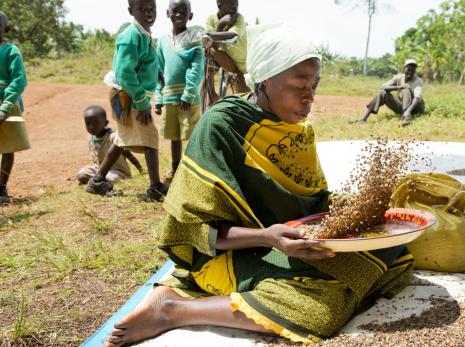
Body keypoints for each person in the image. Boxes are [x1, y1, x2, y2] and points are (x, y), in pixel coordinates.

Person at [104, 24, 415, 347]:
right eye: (300, 85)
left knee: (394, 251)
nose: (310, 97)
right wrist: (268, 237)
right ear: (266, 78)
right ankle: (174, 309)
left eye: (315, 85)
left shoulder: (296, 129)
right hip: (230, 253)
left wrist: (359, 208)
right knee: (322, 309)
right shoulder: (222, 126)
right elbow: (193, 231)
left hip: (284, 243)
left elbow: (311, 203)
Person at [87, 0, 168, 201]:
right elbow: (125, 72)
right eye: (143, 9)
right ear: (131, 10)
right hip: (128, 95)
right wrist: (141, 101)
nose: (149, 13)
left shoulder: (144, 34)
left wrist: (158, 76)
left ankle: (97, 181)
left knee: (123, 139)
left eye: (152, 9)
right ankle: (155, 186)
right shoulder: (131, 36)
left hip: (131, 95)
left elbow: (145, 64)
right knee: (149, 137)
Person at [154, 0, 205, 181]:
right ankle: (176, 170)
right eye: (174, 11)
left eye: (184, 11)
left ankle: (194, 171)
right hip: (169, 97)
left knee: (191, 136)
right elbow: (159, 71)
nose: (179, 14)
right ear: (167, 13)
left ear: (190, 15)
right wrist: (159, 97)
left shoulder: (194, 40)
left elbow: (196, 68)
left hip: (188, 99)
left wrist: (189, 93)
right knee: (174, 137)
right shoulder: (161, 41)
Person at [0, 11, 31, 204]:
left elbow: (19, 80)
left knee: (8, 148)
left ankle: (1, 188)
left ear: (5, 28)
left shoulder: (11, 51)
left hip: (7, 104)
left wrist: (5, 107)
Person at [77, 106, 143, 185]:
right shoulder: (91, 138)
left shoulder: (113, 137)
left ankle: (98, 181)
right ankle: (94, 181)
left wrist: (140, 168)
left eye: (95, 123)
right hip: (99, 169)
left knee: (108, 178)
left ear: (105, 123)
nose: (91, 127)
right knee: (81, 175)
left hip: (117, 171)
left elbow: (128, 154)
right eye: (88, 124)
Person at [351, 59, 425, 126]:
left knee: (406, 89)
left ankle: (406, 118)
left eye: (413, 70)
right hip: (403, 107)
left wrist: (408, 111)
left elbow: (417, 98)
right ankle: (363, 118)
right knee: (383, 92)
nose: (410, 72)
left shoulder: (418, 81)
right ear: (404, 69)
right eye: (408, 69)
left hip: (415, 109)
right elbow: (383, 87)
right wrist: (398, 87)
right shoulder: (399, 78)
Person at [204, 0, 250, 94]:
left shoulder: (239, 18)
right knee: (209, 50)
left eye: (236, 1)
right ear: (219, 4)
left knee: (245, 96)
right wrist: (220, 25)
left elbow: (232, 35)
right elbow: (213, 46)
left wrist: (210, 35)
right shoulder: (211, 19)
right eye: (230, 1)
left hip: (243, 66)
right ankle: (211, 94)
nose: (235, 5)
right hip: (227, 62)